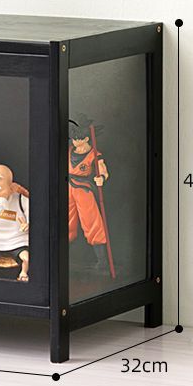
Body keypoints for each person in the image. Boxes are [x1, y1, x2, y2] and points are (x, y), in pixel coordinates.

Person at [68, 117, 110, 273]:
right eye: (73, 138)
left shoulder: (94, 155)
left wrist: (102, 178)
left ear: (86, 138)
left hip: (83, 190)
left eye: (77, 139)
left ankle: (102, 260)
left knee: (91, 221)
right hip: (68, 187)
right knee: (67, 221)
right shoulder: (69, 150)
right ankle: (63, 255)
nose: (74, 141)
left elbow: (103, 170)